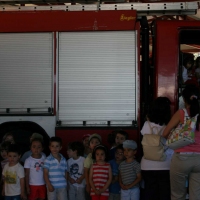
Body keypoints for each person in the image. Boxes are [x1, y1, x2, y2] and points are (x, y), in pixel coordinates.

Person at [162, 86, 200, 200]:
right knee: (196, 195)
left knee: (177, 195)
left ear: (184, 99)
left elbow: (165, 133)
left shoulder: (181, 113)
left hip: (182, 158)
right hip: (199, 159)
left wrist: (176, 136)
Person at [141, 97, 173, 200]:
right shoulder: (170, 126)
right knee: (165, 194)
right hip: (166, 165)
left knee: (150, 194)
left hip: (147, 165)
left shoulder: (146, 125)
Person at [84, 133, 101, 200]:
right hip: (91, 185)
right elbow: (86, 172)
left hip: (100, 184)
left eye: (97, 142)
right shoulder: (89, 157)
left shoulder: (103, 157)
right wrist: (88, 185)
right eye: (92, 142)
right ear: (89, 145)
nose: (94, 144)